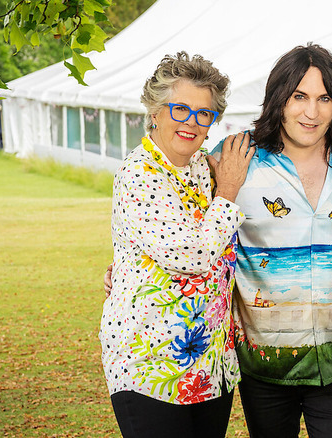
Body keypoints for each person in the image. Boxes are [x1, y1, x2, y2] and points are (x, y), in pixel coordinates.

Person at [213, 43, 332, 438]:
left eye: (324, 98)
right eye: (299, 96)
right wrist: (130, 266)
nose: (311, 112)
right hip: (264, 364)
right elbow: (185, 218)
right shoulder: (234, 156)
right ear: (278, 98)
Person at [99, 52, 255, 437]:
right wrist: (230, 190)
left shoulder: (204, 167)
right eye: (180, 108)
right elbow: (191, 256)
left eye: (204, 114)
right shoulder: (138, 174)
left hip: (210, 362)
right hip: (150, 365)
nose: (191, 122)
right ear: (155, 111)